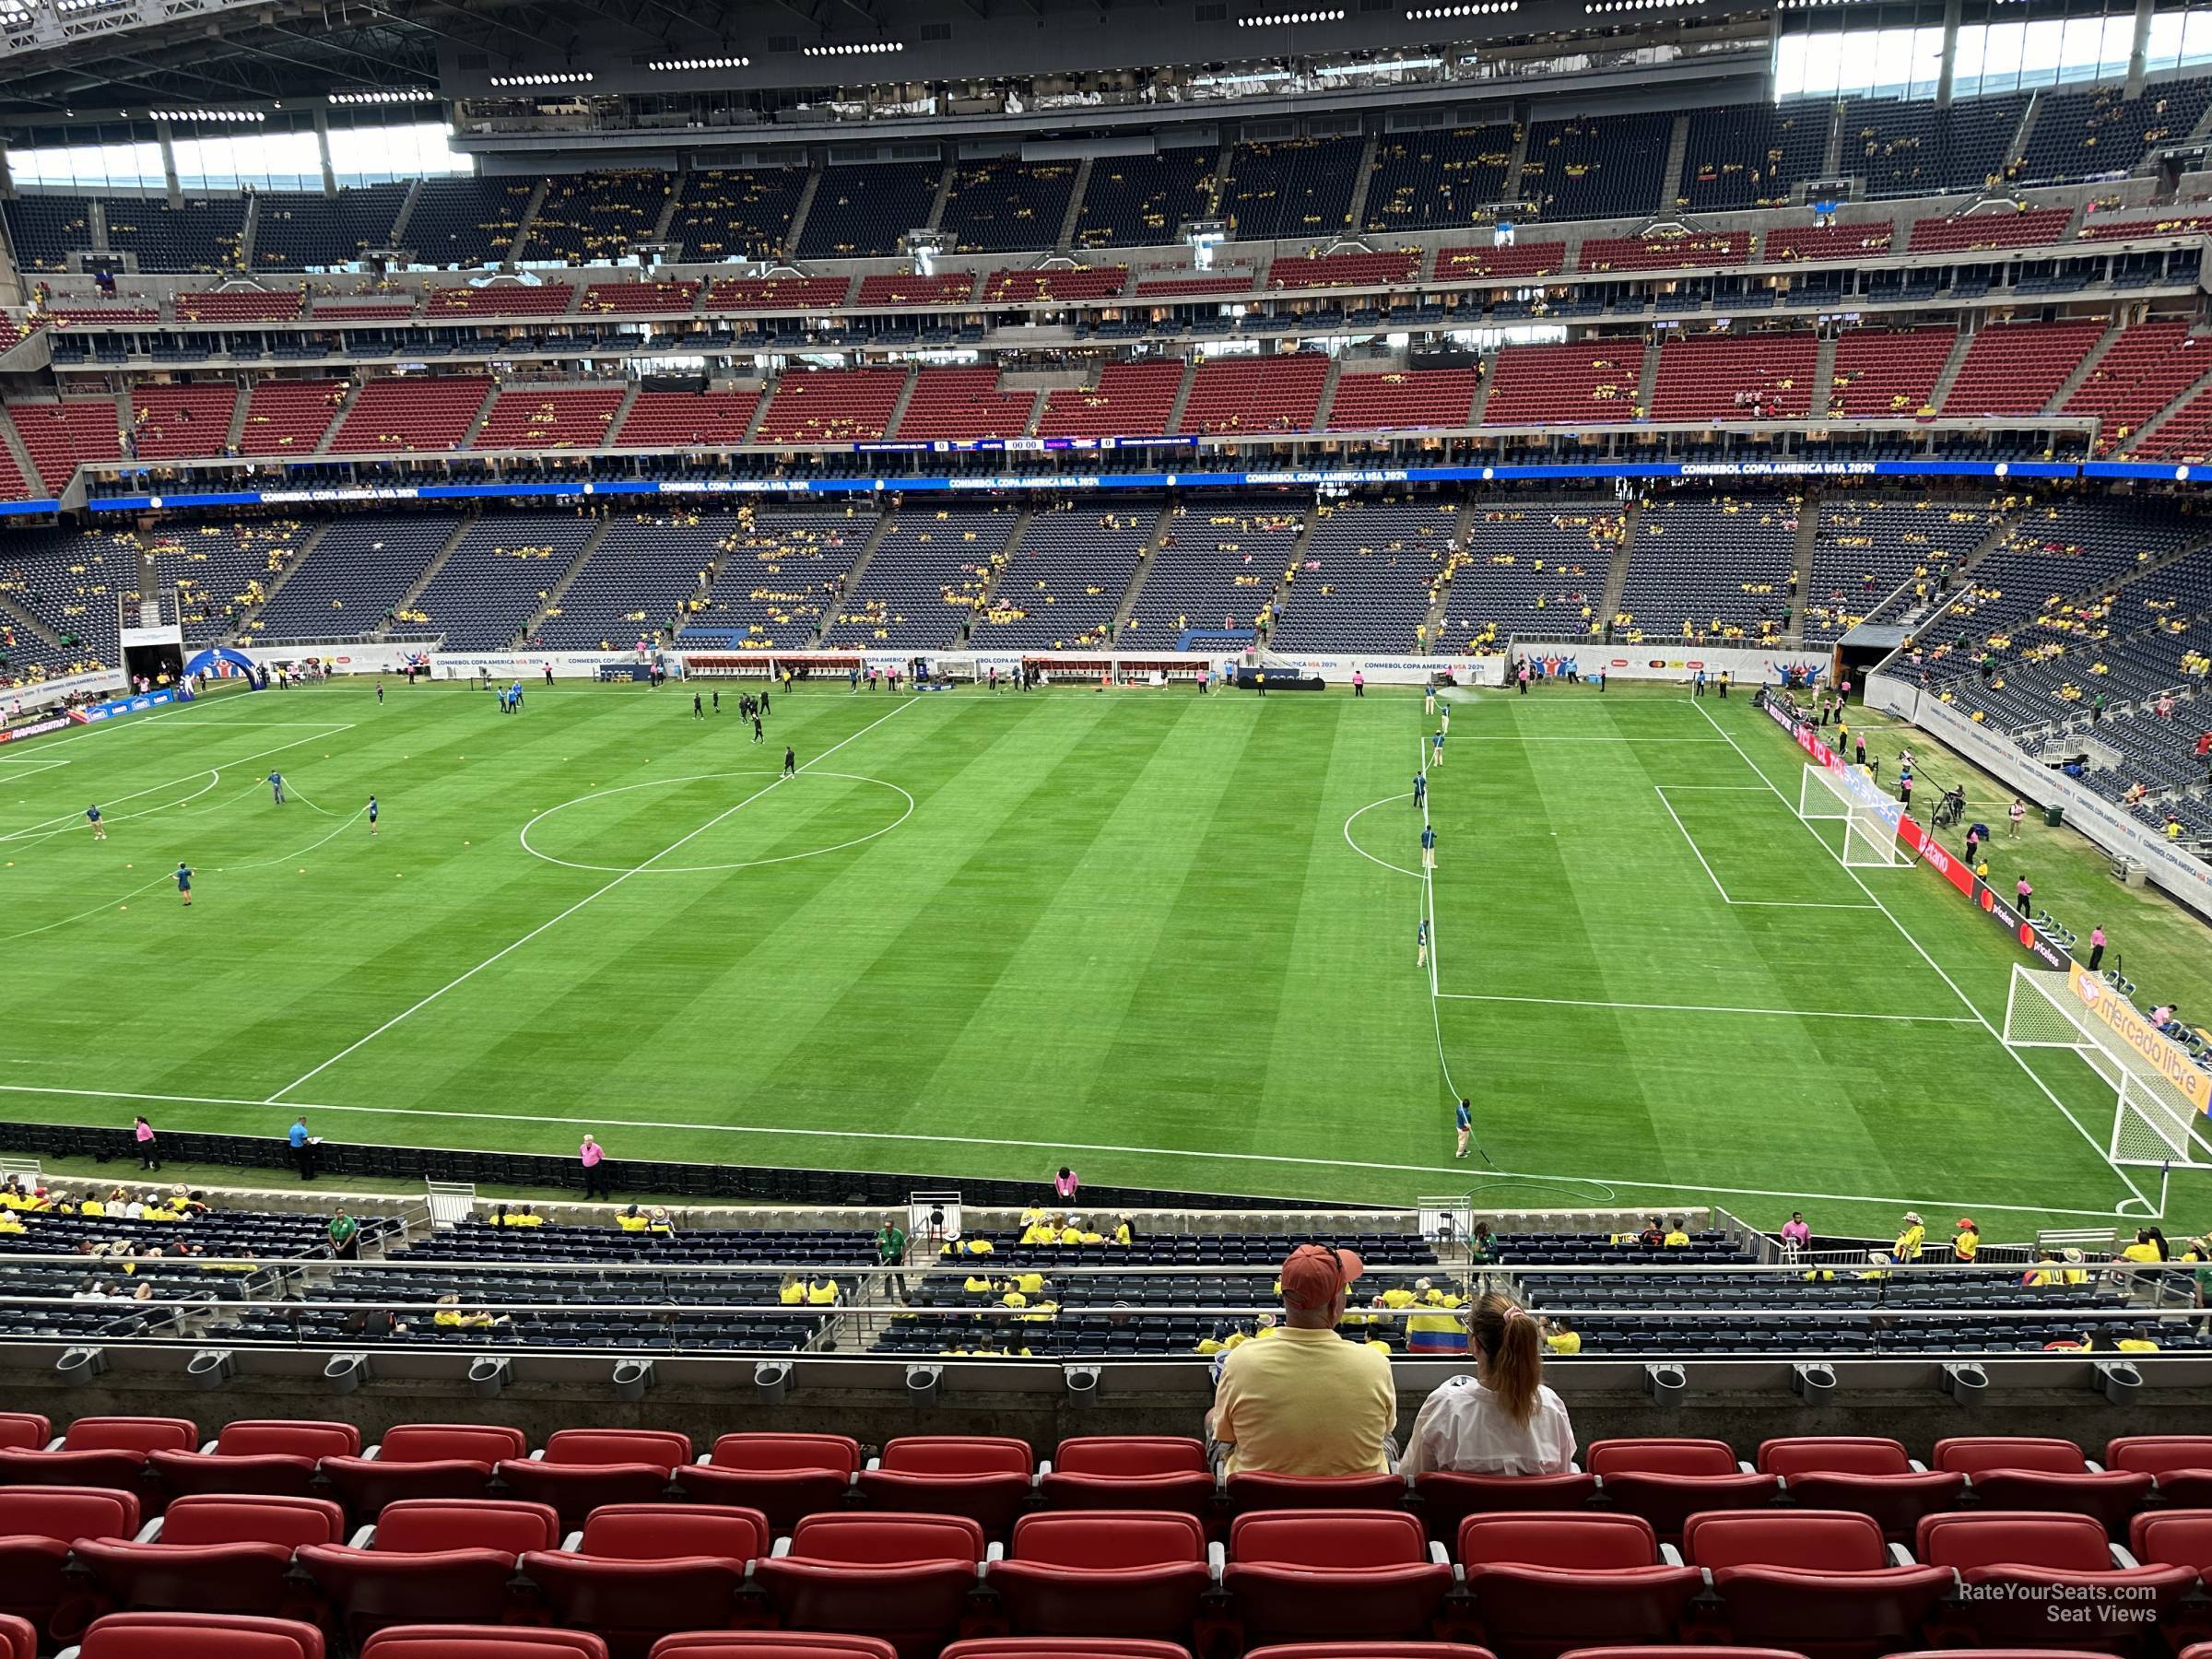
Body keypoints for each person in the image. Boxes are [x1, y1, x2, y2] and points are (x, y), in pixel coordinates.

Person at [1207, 1243, 1394, 1477]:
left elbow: (1225, 1436)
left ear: (1285, 1297)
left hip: (1261, 1505)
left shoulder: (1240, 1359)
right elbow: (1386, 1429)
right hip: (1354, 1504)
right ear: (1336, 1303)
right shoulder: (1375, 1363)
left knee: (1212, 1419)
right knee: (1386, 1435)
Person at [1399, 1292, 1576, 1477]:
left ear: (1475, 1345)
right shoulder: (1551, 1406)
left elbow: (1411, 1480)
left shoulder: (1445, 1409)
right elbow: (1563, 1478)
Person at [877, 1217, 909, 1301]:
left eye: (888, 1227)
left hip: (896, 1257)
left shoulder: (898, 1233)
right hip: (886, 1257)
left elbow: (904, 1246)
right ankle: (888, 1293)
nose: (886, 1228)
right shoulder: (882, 1233)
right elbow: (877, 1246)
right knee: (887, 1276)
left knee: (899, 1276)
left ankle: (903, 1293)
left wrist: (903, 1259)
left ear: (892, 1226)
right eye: (885, 1226)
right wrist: (880, 1242)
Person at [581, 1133, 611, 1200]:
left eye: (590, 1140)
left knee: (599, 1180)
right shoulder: (582, 1147)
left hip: (595, 1167)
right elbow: (581, 1155)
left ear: (592, 1140)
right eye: (587, 1140)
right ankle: (590, 1194)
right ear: (584, 1141)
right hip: (586, 1167)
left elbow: (601, 1156)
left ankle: (604, 1193)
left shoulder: (597, 1147)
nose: (588, 1142)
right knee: (588, 1181)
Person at [288, 1115, 314, 1181]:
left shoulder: (292, 1127)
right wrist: (310, 1141)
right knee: (308, 1161)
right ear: (303, 1121)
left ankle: (303, 1176)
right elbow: (305, 1142)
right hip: (301, 1148)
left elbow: (290, 1137)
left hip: (293, 1147)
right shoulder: (303, 1130)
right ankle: (309, 1176)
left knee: (300, 1162)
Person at [1454, 1096, 1472, 1160]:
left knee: (1465, 1139)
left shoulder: (1459, 1107)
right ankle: (1459, 1153)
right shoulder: (1467, 1113)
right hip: (1463, 1128)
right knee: (1462, 1141)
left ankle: (1463, 1149)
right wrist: (1469, 1126)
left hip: (1459, 1126)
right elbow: (1465, 1124)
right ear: (1468, 1105)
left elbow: (1459, 1106)